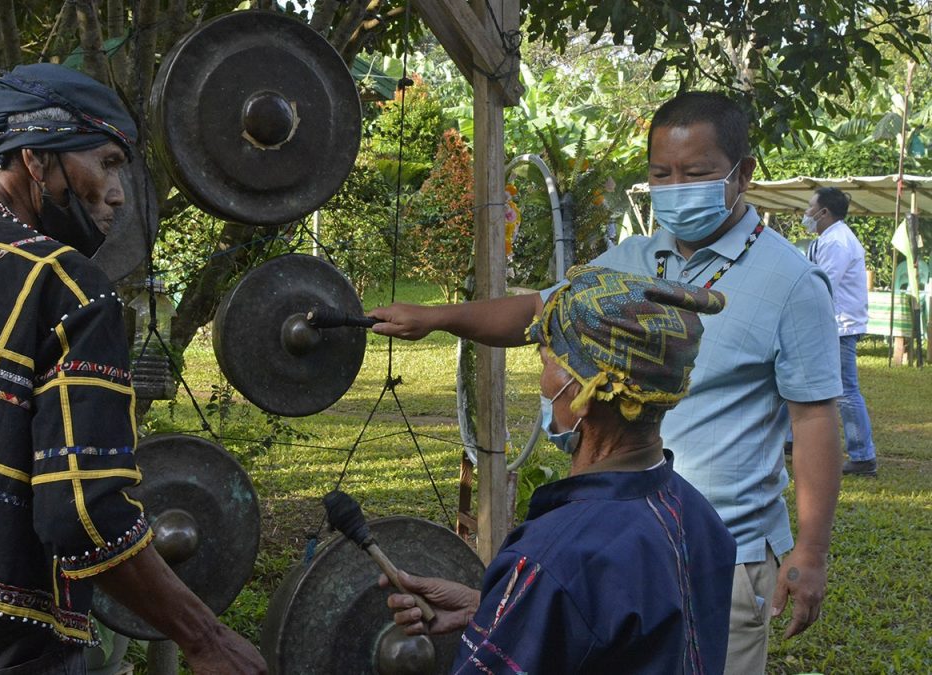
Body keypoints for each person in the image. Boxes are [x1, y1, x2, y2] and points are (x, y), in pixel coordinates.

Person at [369, 92, 843, 674]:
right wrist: (437, 318)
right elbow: (539, 312)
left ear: (742, 173)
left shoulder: (793, 283)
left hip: (720, 554)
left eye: (695, 174)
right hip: (620, 547)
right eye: (660, 174)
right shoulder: (630, 260)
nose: (676, 187)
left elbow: (815, 417)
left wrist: (811, 551)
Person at [0, 63, 265, 674]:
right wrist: (206, 639)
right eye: (106, 162)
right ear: (35, 160)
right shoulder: (69, 287)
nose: (119, 193)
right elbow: (82, 510)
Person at [382, 265, 736, 673]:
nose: (543, 380)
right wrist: (496, 609)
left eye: (546, 359)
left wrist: (529, 600)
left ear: (583, 394)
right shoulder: (698, 518)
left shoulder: (555, 558)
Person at [803, 187, 878, 476]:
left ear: (824, 212)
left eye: (810, 207)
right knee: (799, 378)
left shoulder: (837, 242)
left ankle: (863, 457)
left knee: (846, 390)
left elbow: (822, 284)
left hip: (839, 326)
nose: (806, 213)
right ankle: (789, 440)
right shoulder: (829, 238)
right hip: (832, 323)